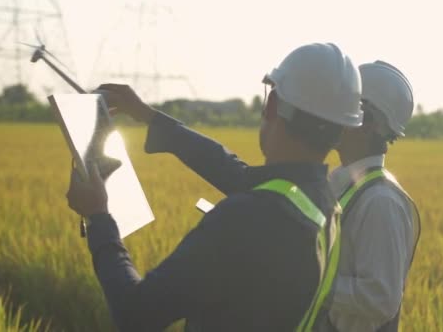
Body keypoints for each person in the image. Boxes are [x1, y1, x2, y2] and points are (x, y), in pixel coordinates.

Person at [65, 43, 363, 331]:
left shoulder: (244, 218)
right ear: (342, 132)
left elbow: (135, 313)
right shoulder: (321, 203)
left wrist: (99, 218)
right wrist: (150, 117)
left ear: (271, 105)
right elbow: (236, 173)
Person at [323, 61, 421, 332]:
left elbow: (380, 298)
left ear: (367, 122)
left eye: (344, 105)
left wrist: (310, 279)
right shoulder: (342, 184)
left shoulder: (381, 202)